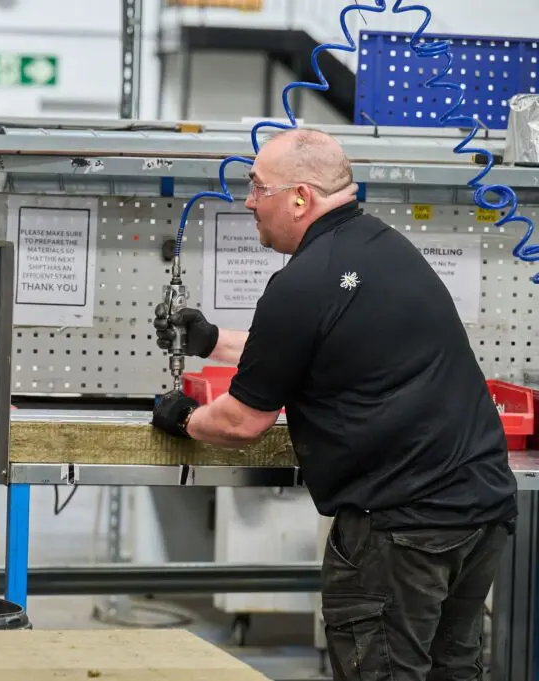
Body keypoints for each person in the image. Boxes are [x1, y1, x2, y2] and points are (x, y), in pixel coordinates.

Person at [151, 128, 518, 681]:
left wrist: (182, 418)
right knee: (453, 671)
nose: (249, 202)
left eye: (257, 188)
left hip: (401, 529)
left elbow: (243, 421)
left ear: (300, 198)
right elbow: (319, 341)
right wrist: (210, 340)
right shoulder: (385, 247)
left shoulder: (303, 281)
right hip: (479, 513)